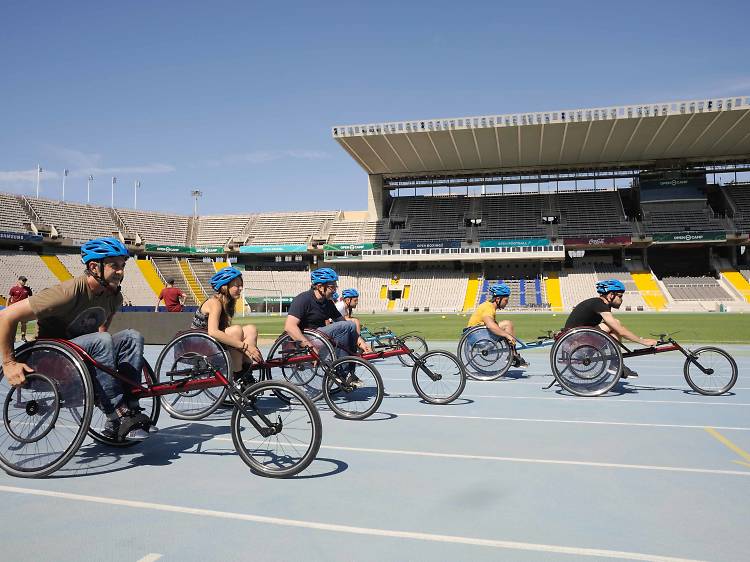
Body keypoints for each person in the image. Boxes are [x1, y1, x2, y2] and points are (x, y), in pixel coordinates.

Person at [0, 237, 156, 441]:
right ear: (94, 266)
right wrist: (9, 363)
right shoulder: (68, 292)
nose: (120, 271)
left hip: (80, 355)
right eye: (114, 266)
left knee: (131, 337)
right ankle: (116, 414)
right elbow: (6, 315)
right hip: (49, 359)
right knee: (102, 340)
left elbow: (102, 326)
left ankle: (131, 405)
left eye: (122, 266)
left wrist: (106, 361)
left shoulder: (114, 297)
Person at [284, 268, 372, 385]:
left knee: (350, 325)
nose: (335, 290)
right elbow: (290, 327)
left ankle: (349, 372)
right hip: (303, 340)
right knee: (346, 325)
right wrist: (309, 346)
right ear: (320, 287)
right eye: (332, 287)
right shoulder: (303, 299)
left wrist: (362, 343)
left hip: (319, 337)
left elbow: (342, 321)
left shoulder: (328, 303)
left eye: (335, 286)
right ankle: (342, 372)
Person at [564, 279, 658, 378]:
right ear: (611, 295)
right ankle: (615, 364)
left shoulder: (599, 304)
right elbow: (621, 331)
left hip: (577, 338)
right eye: (620, 296)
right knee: (616, 324)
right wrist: (643, 341)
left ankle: (615, 363)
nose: (621, 300)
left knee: (613, 333)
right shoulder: (599, 304)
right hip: (574, 342)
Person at [191, 267, 262, 386]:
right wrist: (245, 347)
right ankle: (237, 376)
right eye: (237, 285)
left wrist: (247, 348)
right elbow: (213, 332)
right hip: (199, 345)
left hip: (212, 343)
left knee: (251, 329)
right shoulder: (215, 303)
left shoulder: (227, 304)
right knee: (236, 331)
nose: (240, 288)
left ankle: (246, 372)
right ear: (225, 287)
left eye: (241, 285)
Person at [466, 282, 529, 368]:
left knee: (506, 325)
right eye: (506, 300)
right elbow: (490, 325)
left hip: (477, 335)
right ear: (498, 299)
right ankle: (513, 355)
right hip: (477, 337)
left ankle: (513, 354)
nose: (507, 303)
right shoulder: (488, 308)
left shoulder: (488, 305)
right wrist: (507, 335)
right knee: (507, 324)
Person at [7, 276, 32, 342]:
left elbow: (31, 298)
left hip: (24, 308)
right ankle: (13, 337)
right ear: (19, 280)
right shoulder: (13, 289)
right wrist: (7, 307)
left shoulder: (27, 289)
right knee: (14, 324)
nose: (24, 282)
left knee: (24, 323)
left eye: (25, 281)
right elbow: (8, 298)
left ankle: (23, 337)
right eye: (23, 280)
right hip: (15, 309)